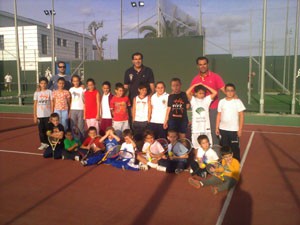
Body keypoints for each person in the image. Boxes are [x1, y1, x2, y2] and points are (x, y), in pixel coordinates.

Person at [190, 57, 225, 146]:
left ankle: (216, 154)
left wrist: (234, 99)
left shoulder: (215, 77)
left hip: (213, 109)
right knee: (202, 134)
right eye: (200, 64)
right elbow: (190, 94)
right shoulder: (195, 80)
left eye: (204, 64)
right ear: (198, 66)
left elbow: (225, 90)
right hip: (201, 112)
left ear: (207, 64)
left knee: (214, 133)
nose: (203, 66)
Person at [216, 83, 245, 161]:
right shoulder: (221, 102)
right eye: (228, 90)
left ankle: (236, 164)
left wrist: (240, 129)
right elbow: (219, 115)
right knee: (225, 149)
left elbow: (241, 116)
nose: (230, 92)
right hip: (223, 129)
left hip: (234, 130)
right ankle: (225, 164)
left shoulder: (238, 101)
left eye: (232, 91)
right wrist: (217, 127)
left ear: (234, 92)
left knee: (235, 148)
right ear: (225, 91)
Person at [186, 83, 217, 148]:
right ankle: (197, 158)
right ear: (195, 93)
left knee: (207, 147)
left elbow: (215, 92)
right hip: (196, 129)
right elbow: (187, 92)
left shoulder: (207, 100)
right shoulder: (193, 100)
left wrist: (205, 85)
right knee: (196, 147)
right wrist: (194, 85)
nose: (202, 95)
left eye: (203, 93)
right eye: (200, 93)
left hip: (206, 128)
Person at [33, 77, 53, 150]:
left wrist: (52, 113)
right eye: (41, 83)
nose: (43, 85)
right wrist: (35, 115)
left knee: (48, 130)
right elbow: (35, 104)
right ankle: (43, 143)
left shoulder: (49, 92)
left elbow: (51, 102)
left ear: (47, 84)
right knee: (41, 130)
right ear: (39, 84)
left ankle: (49, 143)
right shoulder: (36, 93)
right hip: (40, 115)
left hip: (48, 115)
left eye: (45, 83)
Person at [69, 75, 85, 140]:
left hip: (81, 109)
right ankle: (74, 140)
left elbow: (84, 100)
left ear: (79, 81)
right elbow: (69, 100)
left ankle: (82, 140)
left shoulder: (82, 89)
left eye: (77, 81)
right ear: (72, 82)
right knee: (73, 126)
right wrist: (69, 111)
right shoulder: (71, 89)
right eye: (74, 81)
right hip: (73, 109)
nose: (76, 82)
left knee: (81, 126)